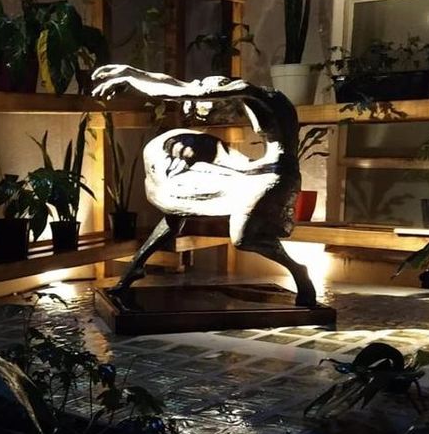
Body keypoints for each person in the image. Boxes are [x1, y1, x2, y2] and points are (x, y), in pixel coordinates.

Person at [92, 64, 317, 307]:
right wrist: (132, 72)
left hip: (275, 176)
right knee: (177, 207)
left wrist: (130, 77)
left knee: (243, 239)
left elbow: (188, 92)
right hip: (260, 170)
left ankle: (299, 272)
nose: (205, 112)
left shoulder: (256, 94)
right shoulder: (253, 96)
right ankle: (134, 269)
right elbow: (180, 85)